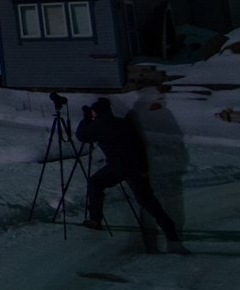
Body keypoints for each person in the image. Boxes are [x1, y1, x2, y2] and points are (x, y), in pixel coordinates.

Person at [75, 97, 181, 245]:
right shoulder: (121, 122)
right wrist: (144, 167)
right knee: (147, 200)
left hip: (118, 166)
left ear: (96, 112)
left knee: (95, 182)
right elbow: (139, 144)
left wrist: (86, 119)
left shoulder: (99, 125)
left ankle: (95, 220)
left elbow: (82, 135)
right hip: (135, 165)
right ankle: (169, 228)